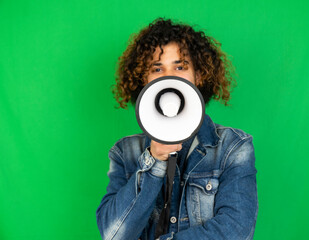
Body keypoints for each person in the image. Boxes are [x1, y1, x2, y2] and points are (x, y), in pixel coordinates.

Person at [96, 18, 258, 240]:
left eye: (180, 67)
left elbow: (237, 229)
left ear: (198, 76)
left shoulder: (233, 147)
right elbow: (114, 234)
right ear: (144, 79)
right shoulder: (125, 152)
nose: (169, 77)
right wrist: (153, 161)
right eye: (157, 68)